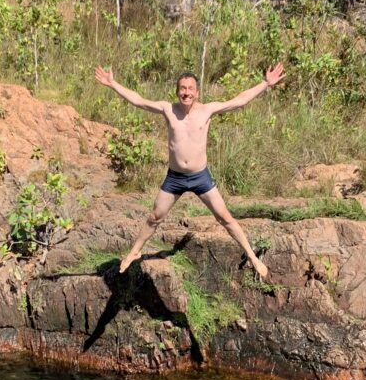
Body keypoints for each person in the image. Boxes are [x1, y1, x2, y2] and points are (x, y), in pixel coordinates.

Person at [94, 62, 285, 278]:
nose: (187, 93)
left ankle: (251, 256)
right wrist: (113, 84)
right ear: (177, 91)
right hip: (175, 178)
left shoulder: (207, 110)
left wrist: (265, 83)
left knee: (224, 217)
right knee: (155, 217)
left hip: (200, 176)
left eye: (191, 89)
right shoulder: (168, 109)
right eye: (183, 89)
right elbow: (138, 100)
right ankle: (135, 251)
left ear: (197, 92)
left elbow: (239, 100)